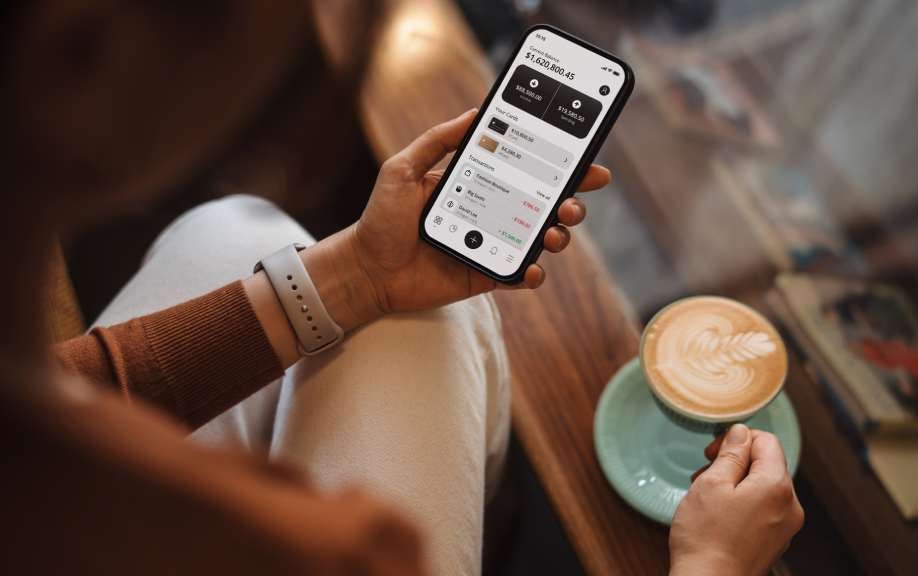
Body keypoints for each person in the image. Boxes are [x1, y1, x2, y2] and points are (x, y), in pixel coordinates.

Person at [2, 3, 802, 575]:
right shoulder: (320, 548)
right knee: (436, 327)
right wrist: (713, 566)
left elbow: (73, 390)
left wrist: (360, 276)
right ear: (81, 54)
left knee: (241, 232)